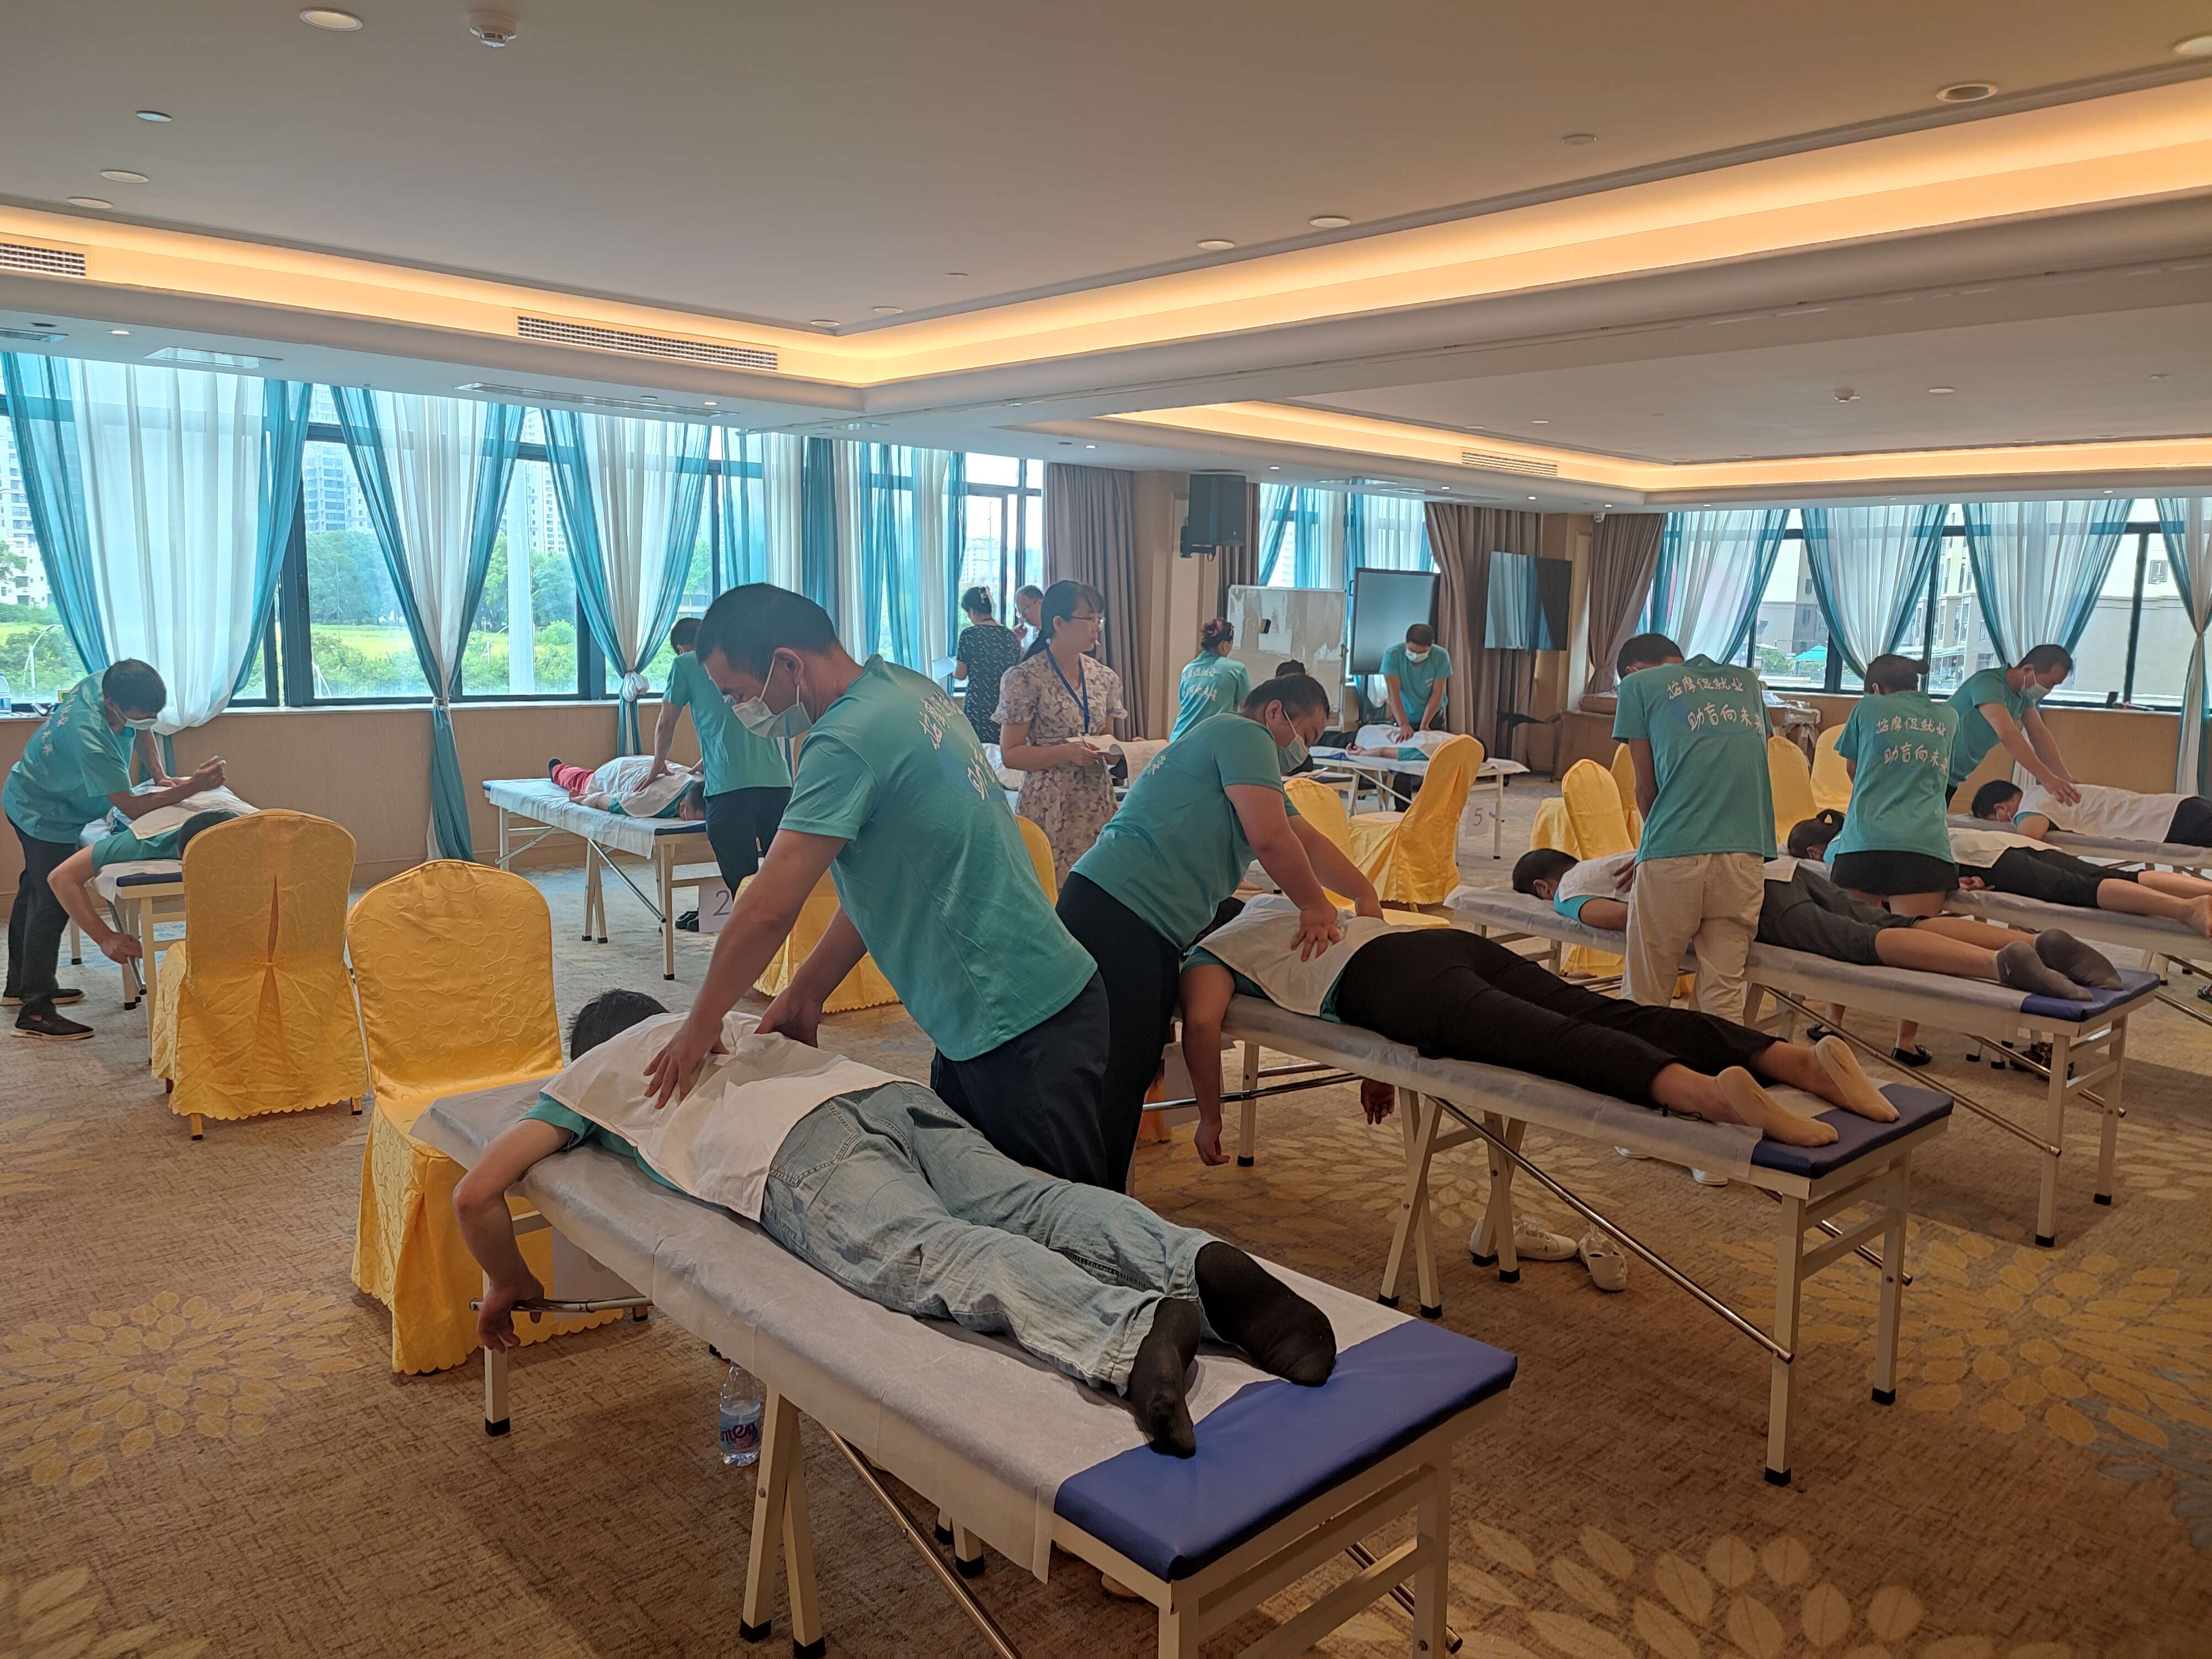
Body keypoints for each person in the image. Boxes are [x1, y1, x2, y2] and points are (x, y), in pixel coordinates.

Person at [458, 990, 1336, 1458]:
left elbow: (476, 1193)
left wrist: (510, 1280)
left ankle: (1131, 1333)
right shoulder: (717, 1016)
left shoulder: (588, 1078)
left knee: (939, 1252)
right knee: (1032, 1200)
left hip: (794, 1155)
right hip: (876, 1093)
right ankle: (1200, 1266)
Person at [644, 584, 1116, 1190]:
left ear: (787, 664)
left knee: (1058, 1222)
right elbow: (889, 882)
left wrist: (699, 1025)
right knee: (975, 1196)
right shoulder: (907, 689)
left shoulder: (844, 739)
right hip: (1001, 1010)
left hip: (1018, 1021)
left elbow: (767, 908)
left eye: (737, 694)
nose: (741, 711)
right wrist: (806, 994)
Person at [1180, 895, 1914, 1162]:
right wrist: (1377, 1065)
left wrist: (1210, 1118)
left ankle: (1710, 1096)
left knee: (1550, 1044)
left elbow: (1205, 1026)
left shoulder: (1212, 949)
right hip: (1434, 944)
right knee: (1600, 1011)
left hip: (1397, 988)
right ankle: (1793, 1062)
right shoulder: (1276, 902)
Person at [1059, 674, 1381, 1186]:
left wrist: (1364, 892)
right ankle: (1088, 1203)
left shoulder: (1235, 749)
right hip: (1121, 909)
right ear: (1274, 713)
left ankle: (1095, 1198)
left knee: (1129, 1069)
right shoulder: (1245, 735)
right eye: (1307, 735)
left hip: (1135, 915)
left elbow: (1303, 839)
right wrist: (1315, 906)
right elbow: (1270, 841)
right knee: (1116, 1073)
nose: (1303, 750)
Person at [1515, 845, 2119, 1041]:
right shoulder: (1615, 854)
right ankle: (2034, 944)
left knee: (1863, 943)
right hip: (1782, 870)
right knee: (1891, 923)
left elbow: (1619, 919)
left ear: (1542, 886)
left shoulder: (1566, 888)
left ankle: (1996, 964)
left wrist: (1677, 920)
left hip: (1751, 896)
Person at [3, 660, 226, 1041]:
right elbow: (133, 808)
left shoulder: (109, 682)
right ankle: (35, 1010)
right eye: (141, 714)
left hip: (48, 795)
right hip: (42, 810)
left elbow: (143, 727)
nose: (149, 720)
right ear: (111, 703)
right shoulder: (91, 738)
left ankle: (19, 985)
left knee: (34, 889)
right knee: (50, 901)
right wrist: (192, 788)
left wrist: (159, 776)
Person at [1609, 632, 1772, 1022]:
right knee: (1723, 994)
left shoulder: (1637, 686)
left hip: (1673, 851)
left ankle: (1645, 1062)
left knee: (1647, 990)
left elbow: (1646, 788)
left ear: (1631, 670)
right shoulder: (1747, 683)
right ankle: (1717, 1063)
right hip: (1746, 855)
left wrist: (1654, 848)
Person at [1820, 654, 1961, 1056]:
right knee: (1914, 945)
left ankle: (1832, 1025)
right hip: (1924, 845)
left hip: (1865, 840)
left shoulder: (1867, 708)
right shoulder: (1948, 717)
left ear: (1875, 688)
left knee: (1847, 936)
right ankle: (1906, 1042)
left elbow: (1853, 769)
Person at [1804, 804, 2212, 941]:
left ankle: (2188, 910)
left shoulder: (1843, 849)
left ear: (1815, 852)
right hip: (2000, 845)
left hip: (1987, 861)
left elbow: (1881, 888)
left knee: (2082, 891)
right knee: (2108, 876)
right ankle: (2199, 895)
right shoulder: (1873, 825)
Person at [647, 613, 791, 894]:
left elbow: (666, 723)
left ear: (681, 648)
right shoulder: (747, 659)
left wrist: (658, 765)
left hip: (730, 790)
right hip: (778, 784)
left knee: (743, 887)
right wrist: (709, 757)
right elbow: (739, 719)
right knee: (784, 884)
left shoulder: (686, 663)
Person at [994, 582, 1127, 884]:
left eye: (1100, 619)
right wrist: (1065, 753)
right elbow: (1011, 754)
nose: (1097, 628)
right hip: (1049, 803)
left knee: (1093, 888)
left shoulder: (1104, 678)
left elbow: (1107, 742)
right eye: (1089, 619)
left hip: (1096, 800)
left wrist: (1125, 752)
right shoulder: (1024, 678)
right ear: (1059, 623)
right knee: (1050, 889)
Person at [44, 808, 237, 972]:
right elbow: (61, 877)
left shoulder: (250, 834)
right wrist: (105, 938)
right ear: (180, 856)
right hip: (145, 812)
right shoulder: (147, 839)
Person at [1947, 644, 2081, 806]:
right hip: (1930, 767)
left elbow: (2039, 734)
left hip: (1952, 775)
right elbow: (2008, 734)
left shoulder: (2023, 698)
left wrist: (2064, 776)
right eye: (2049, 683)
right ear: (2028, 670)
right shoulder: (1989, 683)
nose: (2048, 690)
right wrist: (2047, 779)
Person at [1971, 776, 2212, 850]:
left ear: (2001, 809)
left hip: (2172, 822)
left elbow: (2027, 839)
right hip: (2179, 808)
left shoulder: (2030, 807)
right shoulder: (2041, 790)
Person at [952, 586, 1021, 744]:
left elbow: (961, 675)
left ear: (972, 611)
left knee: (979, 750)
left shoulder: (969, 634)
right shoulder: (1011, 636)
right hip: (1005, 703)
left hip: (978, 703)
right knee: (1000, 750)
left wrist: (952, 672)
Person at [1167, 619, 1251, 742]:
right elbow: (1248, 710)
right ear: (1225, 646)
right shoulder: (1237, 670)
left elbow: (1185, 704)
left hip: (1178, 740)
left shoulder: (1188, 669)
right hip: (1210, 742)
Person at [547, 755, 705, 820]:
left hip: (651, 765)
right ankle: (556, 769)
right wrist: (580, 799)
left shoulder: (706, 784)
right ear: (682, 806)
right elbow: (599, 799)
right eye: (689, 819)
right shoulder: (651, 802)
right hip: (621, 772)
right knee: (584, 781)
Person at [1378, 624, 1452, 739]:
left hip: (1432, 718)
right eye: (1412, 651)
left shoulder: (1441, 656)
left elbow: (1437, 692)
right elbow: (1394, 693)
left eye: (1422, 652)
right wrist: (1403, 724)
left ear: (1431, 646)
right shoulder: (1392, 656)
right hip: (1403, 716)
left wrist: (1425, 725)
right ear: (1406, 643)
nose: (1416, 656)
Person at [1013, 584, 1045, 653]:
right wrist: (1017, 641)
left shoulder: (1058, 630)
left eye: (1024, 609)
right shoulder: (1040, 637)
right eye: (1020, 613)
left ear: (1040, 603)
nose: (1023, 616)